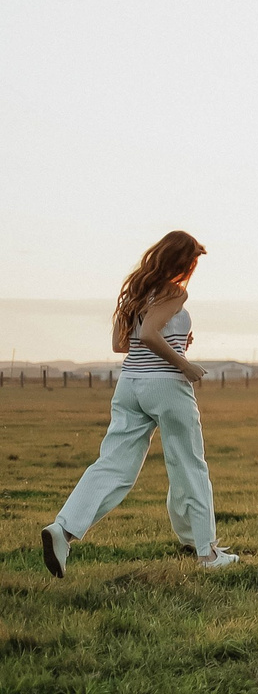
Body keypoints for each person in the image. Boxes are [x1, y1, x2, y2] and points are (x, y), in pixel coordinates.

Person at [41, 230, 239, 575]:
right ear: (182, 261)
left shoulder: (136, 288)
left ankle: (63, 529)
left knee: (113, 465)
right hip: (165, 386)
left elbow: (124, 343)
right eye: (192, 261)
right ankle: (208, 555)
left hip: (130, 385)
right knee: (189, 465)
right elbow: (148, 334)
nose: (193, 268)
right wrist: (184, 363)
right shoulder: (175, 291)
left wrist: (178, 338)